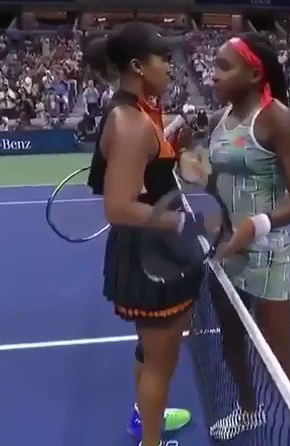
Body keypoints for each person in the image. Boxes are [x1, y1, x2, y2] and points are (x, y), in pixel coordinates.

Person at [203, 33, 290, 444]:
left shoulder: (277, 119)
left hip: (271, 256)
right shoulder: (218, 119)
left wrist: (256, 225)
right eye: (213, 65)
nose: (212, 75)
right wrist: (200, 179)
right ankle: (248, 410)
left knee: (280, 354)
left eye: (224, 66)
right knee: (231, 341)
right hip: (227, 252)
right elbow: (220, 184)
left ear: (253, 73)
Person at [85, 23, 198, 446]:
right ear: (137, 66)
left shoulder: (136, 112)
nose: (169, 67)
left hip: (154, 250)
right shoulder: (130, 122)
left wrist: (173, 144)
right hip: (150, 255)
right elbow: (118, 207)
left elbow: (147, 171)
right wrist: (178, 222)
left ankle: (144, 418)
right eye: (162, 59)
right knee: (159, 363)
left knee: (151, 352)